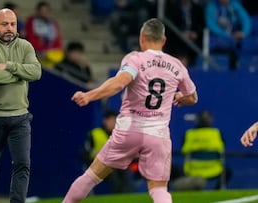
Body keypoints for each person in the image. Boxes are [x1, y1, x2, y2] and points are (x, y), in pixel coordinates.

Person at [63, 18, 198, 203]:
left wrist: (89, 96)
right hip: (157, 135)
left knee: (91, 177)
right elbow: (193, 97)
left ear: (142, 38)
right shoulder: (176, 65)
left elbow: (119, 83)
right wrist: (182, 98)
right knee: (159, 189)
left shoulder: (135, 59)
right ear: (163, 40)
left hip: (128, 130)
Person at [0, 7, 42, 203]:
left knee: (23, 164)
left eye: (12, 24)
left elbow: (36, 73)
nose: (9, 28)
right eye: (4, 24)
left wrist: (10, 66)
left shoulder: (25, 46)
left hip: (20, 117)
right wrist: (21, 74)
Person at [81, 110, 134, 194]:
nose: (114, 123)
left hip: (116, 165)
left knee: (125, 172)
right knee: (113, 176)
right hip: (98, 165)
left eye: (116, 120)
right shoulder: (95, 134)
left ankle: (126, 195)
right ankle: (118, 195)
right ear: (105, 121)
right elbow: (84, 154)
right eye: (112, 120)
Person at [181, 110, 231, 189]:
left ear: (197, 120)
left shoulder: (189, 134)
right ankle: (217, 191)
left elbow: (184, 151)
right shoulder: (217, 133)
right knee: (227, 171)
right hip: (214, 169)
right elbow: (222, 151)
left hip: (193, 170)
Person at [205, 0, 251, 70]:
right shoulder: (212, 6)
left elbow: (245, 20)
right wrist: (227, 35)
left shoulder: (235, 5)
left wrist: (243, 33)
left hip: (234, 39)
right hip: (218, 41)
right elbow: (211, 24)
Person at [165, 0, 205, 68]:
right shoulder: (172, 8)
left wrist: (195, 33)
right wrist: (181, 33)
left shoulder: (198, 9)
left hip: (194, 41)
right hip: (177, 39)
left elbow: (202, 25)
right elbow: (169, 26)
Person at [25, 1, 64, 68]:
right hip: (38, 52)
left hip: (52, 52)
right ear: (38, 11)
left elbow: (57, 39)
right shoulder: (31, 21)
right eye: (42, 10)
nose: (44, 13)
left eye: (46, 10)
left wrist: (53, 48)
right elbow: (31, 38)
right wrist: (41, 49)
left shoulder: (53, 23)